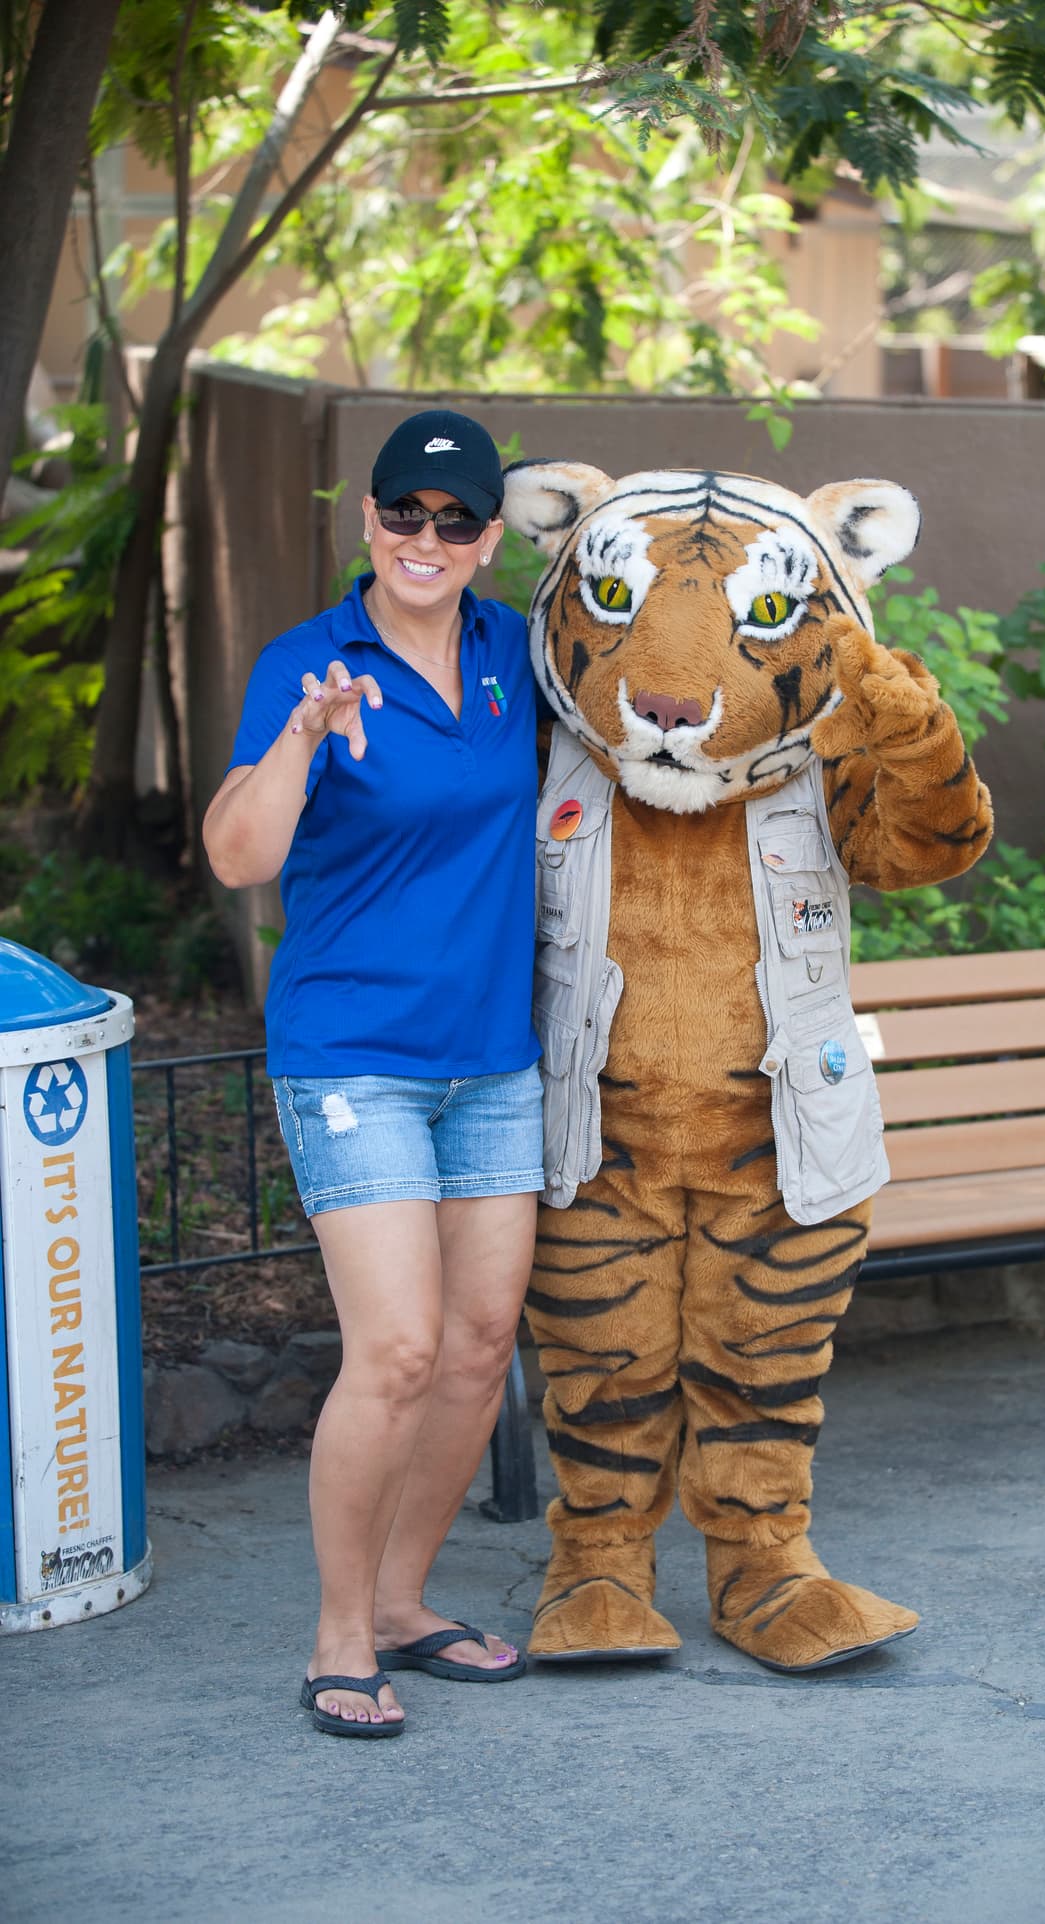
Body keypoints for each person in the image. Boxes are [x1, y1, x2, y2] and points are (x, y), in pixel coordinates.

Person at [203, 410, 543, 1738]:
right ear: (370, 520)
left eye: (458, 521)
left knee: (475, 1347)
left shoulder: (515, 650)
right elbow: (238, 856)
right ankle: (339, 1639)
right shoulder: (312, 660)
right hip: (355, 1054)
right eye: (407, 512)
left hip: (492, 1060)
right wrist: (299, 739)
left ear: (489, 542)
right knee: (396, 1348)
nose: (429, 539)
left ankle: (405, 1602)